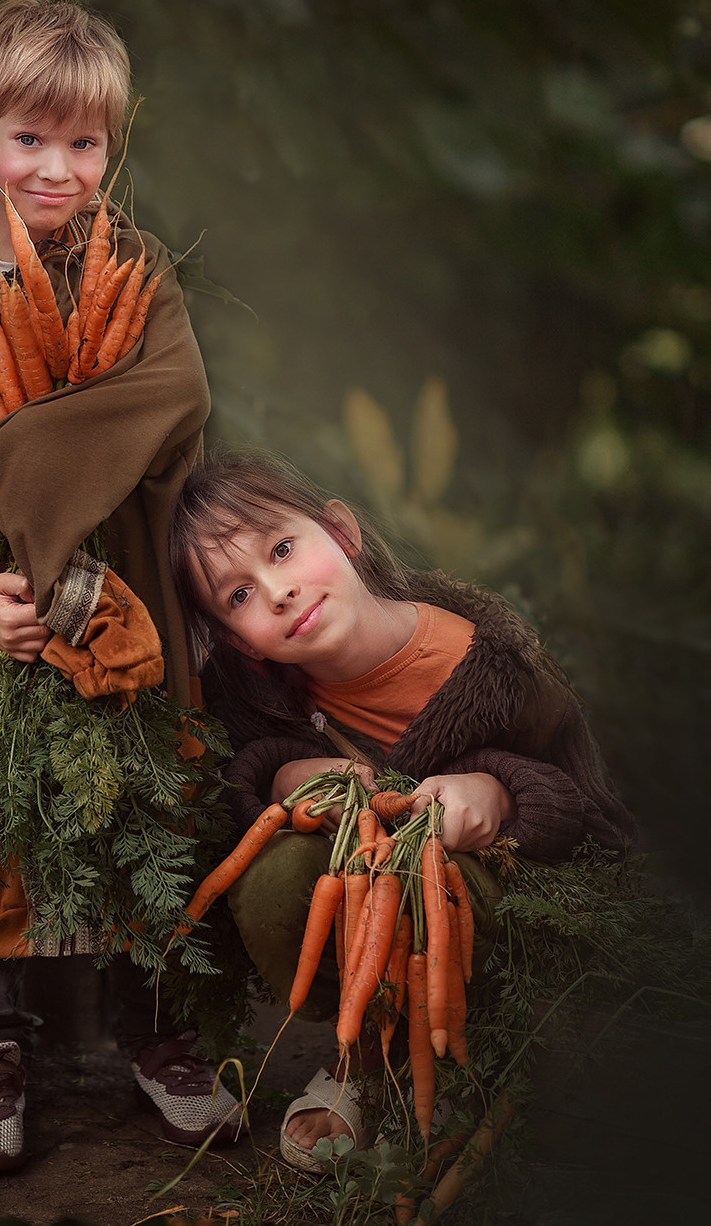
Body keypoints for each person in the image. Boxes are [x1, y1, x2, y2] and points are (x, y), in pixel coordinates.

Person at [0, 0, 240, 1171]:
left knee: (140, 803)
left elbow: (169, 404)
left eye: (86, 144)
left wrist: (13, 464)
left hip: (118, 576)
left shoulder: (139, 278)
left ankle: (158, 1035)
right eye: (30, 139)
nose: (60, 169)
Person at [168, 448, 635, 1172]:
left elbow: (596, 820)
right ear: (236, 640)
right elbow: (229, 778)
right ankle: (366, 1053)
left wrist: (502, 793)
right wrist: (285, 771)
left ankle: (451, 1059)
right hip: (364, 919)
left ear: (343, 535)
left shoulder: (498, 671)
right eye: (238, 596)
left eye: (282, 550)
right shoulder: (261, 697)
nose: (278, 592)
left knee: (426, 881)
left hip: (494, 920)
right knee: (283, 868)